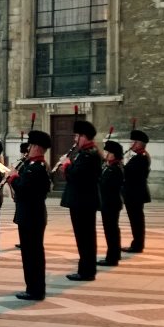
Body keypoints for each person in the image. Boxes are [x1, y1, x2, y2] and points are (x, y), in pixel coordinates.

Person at [9, 130, 52, 300]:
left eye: (32, 146)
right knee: (31, 253)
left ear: (38, 148)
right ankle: (34, 287)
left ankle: (34, 289)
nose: (29, 149)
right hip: (31, 215)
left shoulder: (36, 168)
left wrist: (13, 178)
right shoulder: (32, 166)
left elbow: (23, 189)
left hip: (31, 216)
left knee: (32, 255)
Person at [60, 120, 101, 281]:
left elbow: (76, 176)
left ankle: (86, 271)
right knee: (85, 237)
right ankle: (86, 269)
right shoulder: (86, 153)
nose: (75, 139)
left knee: (85, 237)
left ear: (84, 136)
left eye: (77, 135)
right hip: (83, 201)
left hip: (83, 202)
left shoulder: (88, 154)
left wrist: (67, 165)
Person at [122, 129, 151, 254]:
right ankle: (137, 243)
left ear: (138, 143)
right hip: (134, 193)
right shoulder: (139, 156)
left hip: (135, 194)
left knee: (136, 220)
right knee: (135, 220)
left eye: (132, 142)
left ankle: (137, 245)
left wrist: (119, 163)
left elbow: (128, 173)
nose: (130, 144)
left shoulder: (141, 157)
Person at [98, 140, 124, 266]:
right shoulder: (111, 166)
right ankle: (115, 253)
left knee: (111, 231)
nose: (105, 153)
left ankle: (112, 258)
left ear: (113, 154)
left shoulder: (114, 169)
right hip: (110, 203)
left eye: (107, 151)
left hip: (110, 204)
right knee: (112, 230)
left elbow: (104, 185)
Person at [13, 141, 30, 249]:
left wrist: (14, 178)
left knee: (24, 224)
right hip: (21, 199)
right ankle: (23, 241)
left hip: (26, 201)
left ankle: (25, 241)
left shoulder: (28, 166)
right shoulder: (24, 165)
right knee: (21, 223)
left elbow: (22, 184)